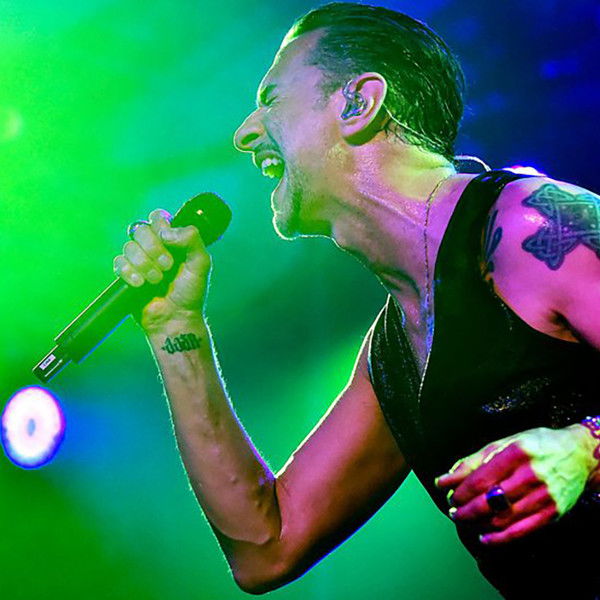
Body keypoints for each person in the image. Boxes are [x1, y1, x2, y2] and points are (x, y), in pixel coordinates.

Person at [113, 3, 600, 598]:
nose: (244, 133)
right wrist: (175, 328)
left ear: (358, 103)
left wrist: (587, 448)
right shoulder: (393, 354)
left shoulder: (529, 226)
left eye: (271, 99)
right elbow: (267, 547)